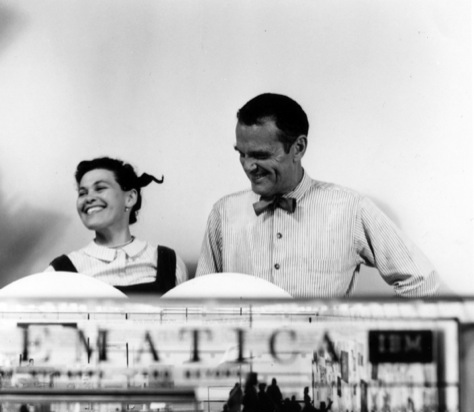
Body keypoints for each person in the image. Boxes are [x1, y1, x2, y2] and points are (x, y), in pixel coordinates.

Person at [196, 93, 440, 298]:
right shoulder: (223, 213)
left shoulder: (350, 209)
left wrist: (367, 338)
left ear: (298, 148)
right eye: (242, 154)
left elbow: (421, 280)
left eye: (260, 155)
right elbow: (200, 301)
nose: (248, 166)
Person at [48, 157, 188, 295]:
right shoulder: (60, 271)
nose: (88, 198)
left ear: (130, 198)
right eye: (82, 193)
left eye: (100, 188)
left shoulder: (169, 262)